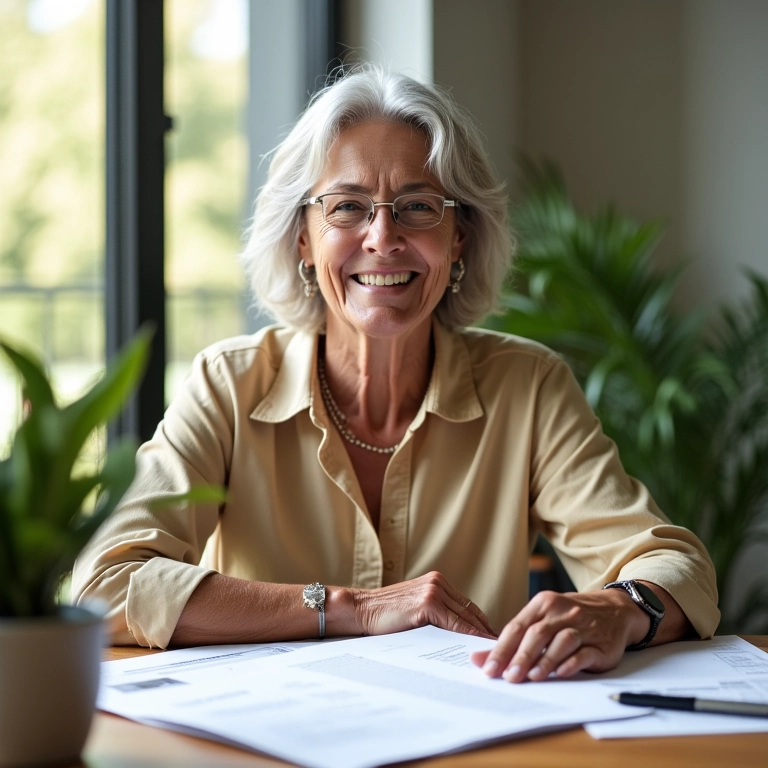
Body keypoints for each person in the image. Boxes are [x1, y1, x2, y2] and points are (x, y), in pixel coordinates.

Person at [72, 66, 719, 684]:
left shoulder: (528, 386)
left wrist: (620, 608)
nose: (382, 238)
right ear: (302, 236)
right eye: (348, 207)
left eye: (417, 206)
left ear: (461, 236)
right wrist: (351, 608)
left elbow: (676, 564)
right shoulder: (227, 384)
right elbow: (102, 584)